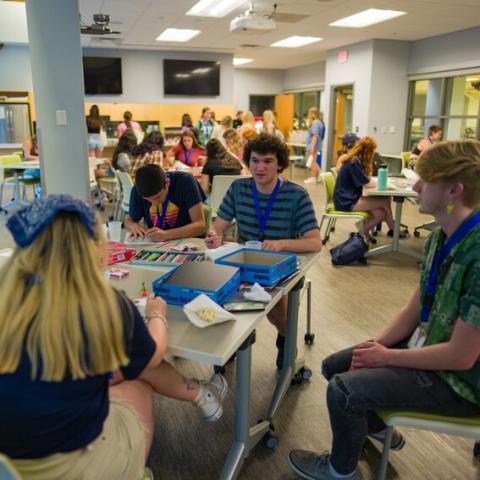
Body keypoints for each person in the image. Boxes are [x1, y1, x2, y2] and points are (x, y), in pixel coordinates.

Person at [288, 139, 480, 480]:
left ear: (455, 190)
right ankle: (371, 425)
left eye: (425, 181)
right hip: (430, 348)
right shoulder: (441, 237)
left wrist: (387, 357)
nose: (415, 187)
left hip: (462, 383)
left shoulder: (476, 253)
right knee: (337, 365)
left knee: (343, 390)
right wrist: (372, 347)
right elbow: (415, 307)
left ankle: (340, 472)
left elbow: (461, 357)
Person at [0, 194, 227, 480]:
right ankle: (132, 469)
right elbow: (154, 355)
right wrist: (157, 314)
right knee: (138, 383)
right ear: (92, 247)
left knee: (120, 368)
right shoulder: (103, 303)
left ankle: (200, 393)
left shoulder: (8, 298)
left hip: (9, 464)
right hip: (71, 468)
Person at [206, 134, 322, 369]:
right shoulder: (238, 188)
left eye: (267, 161)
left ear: (279, 164)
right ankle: (237, 340)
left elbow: (315, 243)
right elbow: (218, 226)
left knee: (273, 305)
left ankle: (285, 338)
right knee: (220, 292)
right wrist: (214, 236)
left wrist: (281, 244)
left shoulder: (297, 195)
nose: (260, 168)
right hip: (244, 261)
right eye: (255, 161)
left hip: (280, 265)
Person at [333, 136, 402, 238]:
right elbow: (367, 183)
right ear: (367, 151)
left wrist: (371, 180)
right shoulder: (354, 161)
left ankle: (360, 234)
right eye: (373, 151)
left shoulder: (355, 160)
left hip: (348, 197)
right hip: (346, 201)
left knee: (381, 214)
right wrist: (381, 183)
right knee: (385, 200)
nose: (373, 154)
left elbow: (364, 179)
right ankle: (393, 228)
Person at [125, 163, 207, 241]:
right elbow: (128, 220)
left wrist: (166, 234)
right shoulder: (138, 189)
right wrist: (132, 225)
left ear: (167, 182)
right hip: (157, 244)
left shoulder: (186, 181)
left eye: (157, 197)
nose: (154, 204)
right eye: (147, 200)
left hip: (187, 242)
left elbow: (200, 226)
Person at [304, 107, 326, 184]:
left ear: (313, 114)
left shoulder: (315, 123)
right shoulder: (319, 122)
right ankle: (318, 176)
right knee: (313, 161)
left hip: (313, 145)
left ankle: (314, 177)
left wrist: (312, 147)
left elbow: (315, 136)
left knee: (312, 162)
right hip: (315, 145)